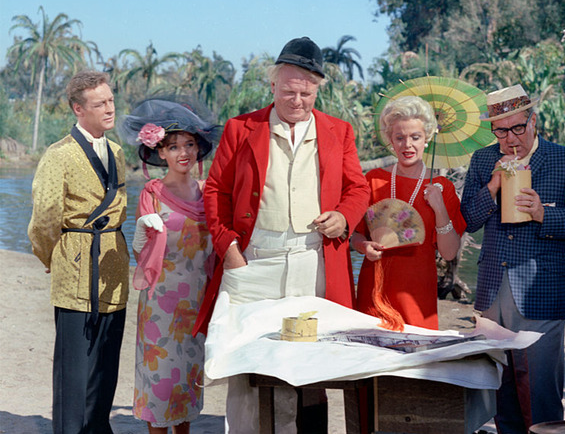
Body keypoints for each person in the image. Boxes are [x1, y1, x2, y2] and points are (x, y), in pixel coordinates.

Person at [193, 37, 370, 433]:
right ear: (272, 87)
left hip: (312, 260)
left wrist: (344, 217)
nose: (297, 100)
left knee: (310, 360)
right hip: (254, 259)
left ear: (318, 89)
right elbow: (216, 190)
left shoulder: (338, 131)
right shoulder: (242, 128)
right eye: (289, 91)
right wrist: (229, 247)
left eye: (306, 93)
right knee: (246, 360)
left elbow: (358, 189)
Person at [460, 83, 565, 432]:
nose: (510, 139)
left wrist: (543, 214)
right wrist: (491, 187)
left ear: (534, 121)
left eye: (518, 128)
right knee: (500, 388)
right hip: (494, 289)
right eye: (500, 131)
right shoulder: (482, 159)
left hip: (542, 289)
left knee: (540, 390)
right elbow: (469, 220)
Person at [28, 70, 128, 434]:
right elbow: (44, 219)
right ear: (77, 109)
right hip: (75, 269)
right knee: (73, 371)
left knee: (106, 364)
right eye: (100, 103)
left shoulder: (116, 150)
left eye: (111, 100)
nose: (109, 108)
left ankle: (99, 428)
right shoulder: (59, 155)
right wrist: (52, 258)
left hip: (113, 270)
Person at [118, 99, 220, 433]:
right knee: (160, 384)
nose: (183, 153)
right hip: (160, 302)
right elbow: (142, 251)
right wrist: (141, 235)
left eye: (189, 145)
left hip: (196, 301)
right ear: (160, 153)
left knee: (188, 381)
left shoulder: (209, 193)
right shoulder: (153, 192)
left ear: (199, 149)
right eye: (174, 147)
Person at [351, 95, 466, 330]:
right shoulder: (373, 181)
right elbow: (355, 235)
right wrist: (364, 247)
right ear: (390, 140)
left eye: (415, 137)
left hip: (417, 293)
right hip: (374, 289)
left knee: (415, 362)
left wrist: (440, 207)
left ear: (427, 139)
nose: (407, 145)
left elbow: (449, 251)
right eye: (399, 138)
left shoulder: (442, 186)